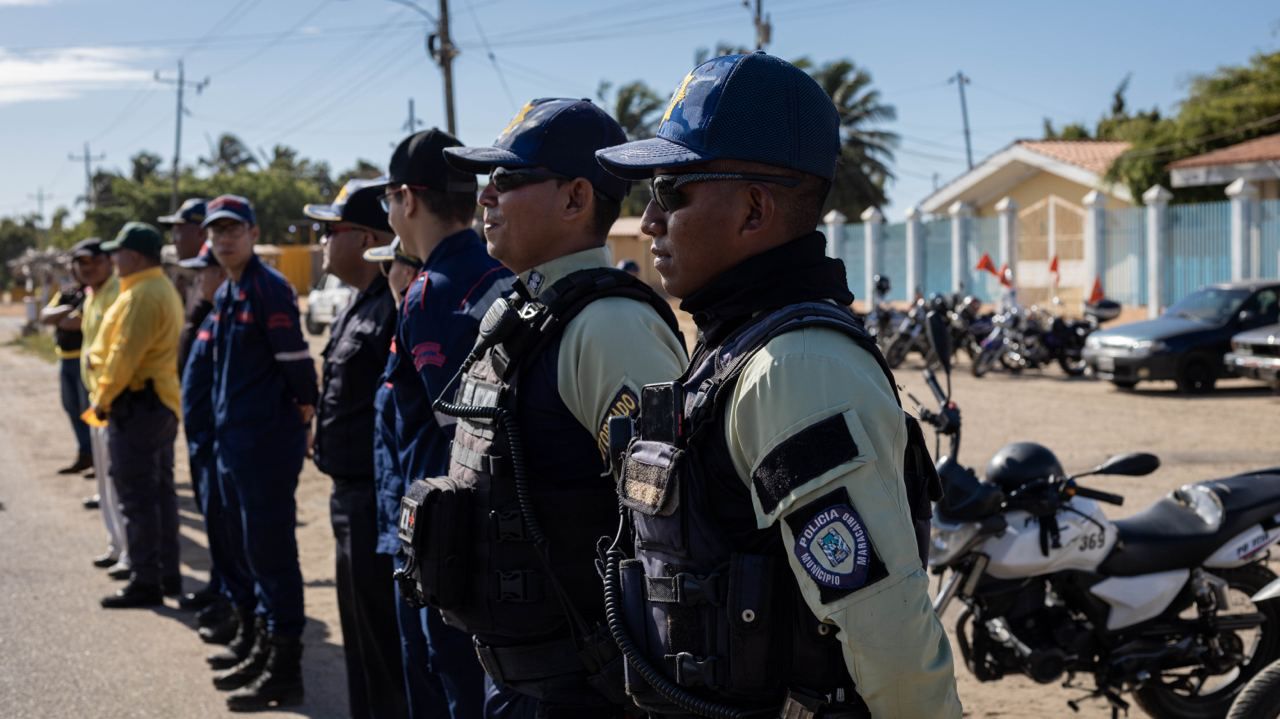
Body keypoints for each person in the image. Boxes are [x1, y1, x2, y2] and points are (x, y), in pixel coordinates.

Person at [594, 53, 963, 718]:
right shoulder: (737, 342)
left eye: (670, 192)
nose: (648, 220)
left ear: (754, 209)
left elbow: (888, 636)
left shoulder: (796, 367)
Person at [422, 97, 688, 718]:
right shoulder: (527, 312)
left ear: (575, 198)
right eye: (487, 179)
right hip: (522, 674)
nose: (486, 195)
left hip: (584, 688)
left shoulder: (608, 327)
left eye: (508, 178)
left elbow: (673, 527)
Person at [376, 128, 510, 719]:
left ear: (407, 198)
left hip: (444, 535)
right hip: (493, 529)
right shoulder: (501, 270)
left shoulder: (431, 293)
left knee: (448, 682)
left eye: (388, 198)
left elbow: (458, 429)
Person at [204, 194, 317, 711]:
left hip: (265, 445)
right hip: (234, 443)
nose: (224, 239)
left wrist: (304, 410)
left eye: (233, 230)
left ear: (252, 233)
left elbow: (297, 365)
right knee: (247, 550)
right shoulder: (230, 289)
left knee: (271, 556)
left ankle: (284, 669)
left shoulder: (268, 288)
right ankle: (257, 645)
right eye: (216, 231)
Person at [303, 179, 408, 719]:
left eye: (330, 230)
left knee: (383, 646)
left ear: (367, 238)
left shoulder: (394, 306)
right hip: (349, 497)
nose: (321, 240)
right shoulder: (359, 303)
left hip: (374, 501)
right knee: (361, 642)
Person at [88, 222, 184, 609]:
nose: (113, 259)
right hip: (155, 402)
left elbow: (123, 356)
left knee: (138, 496)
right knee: (158, 492)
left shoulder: (142, 294)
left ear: (135, 256)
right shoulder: (153, 288)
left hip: (138, 404)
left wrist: (102, 400)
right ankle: (165, 573)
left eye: (118, 253)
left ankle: (146, 580)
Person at [178, 240, 258, 659]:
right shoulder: (210, 311)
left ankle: (238, 612)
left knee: (233, 536)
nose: (198, 280)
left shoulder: (232, 311)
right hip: (204, 441)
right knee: (218, 529)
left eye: (203, 272)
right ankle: (226, 597)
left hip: (220, 443)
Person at [73, 238, 130, 574]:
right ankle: (116, 546)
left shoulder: (116, 294)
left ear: (109, 262)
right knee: (105, 481)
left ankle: (129, 554)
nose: (87, 268)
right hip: (97, 397)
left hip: (112, 398)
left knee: (118, 479)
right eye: (81, 263)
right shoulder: (92, 294)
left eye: (93, 261)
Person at [39, 263, 92, 474]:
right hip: (65, 359)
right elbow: (44, 316)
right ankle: (85, 453)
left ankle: (98, 457)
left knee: (88, 410)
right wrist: (65, 311)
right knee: (72, 408)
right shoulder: (67, 293)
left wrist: (58, 318)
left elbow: (75, 323)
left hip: (84, 359)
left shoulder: (93, 293)